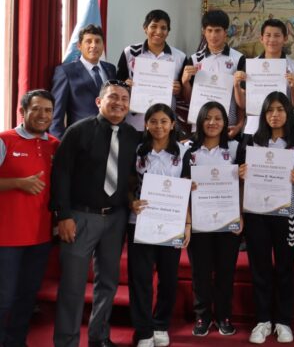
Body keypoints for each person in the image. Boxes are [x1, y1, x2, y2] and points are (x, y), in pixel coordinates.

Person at [51, 80, 141, 347]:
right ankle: (66, 342)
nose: (119, 103)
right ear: (99, 101)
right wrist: (63, 216)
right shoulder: (78, 131)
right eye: (113, 97)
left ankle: (99, 336)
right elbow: (61, 174)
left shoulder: (132, 136)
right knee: (73, 286)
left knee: (108, 283)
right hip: (79, 218)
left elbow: (132, 176)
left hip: (115, 219)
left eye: (125, 99)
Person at [237, 92, 294, 344]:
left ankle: (284, 321)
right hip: (256, 213)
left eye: (280, 109)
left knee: (285, 268)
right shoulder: (252, 141)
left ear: (288, 113)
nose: (275, 115)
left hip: (286, 214)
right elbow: (239, 173)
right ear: (263, 115)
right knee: (260, 268)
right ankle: (263, 320)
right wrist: (240, 173)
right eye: (269, 110)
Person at [128, 104, 191, 347]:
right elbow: (128, 184)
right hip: (140, 222)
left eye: (164, 121)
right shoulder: (137, 150)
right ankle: (143, 331)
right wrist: (131, 202)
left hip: (171, 223)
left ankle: (161, 324)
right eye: (153, 121)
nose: (158, 126)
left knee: (168, 277)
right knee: (140, 278)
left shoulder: (183, 153)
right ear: (146, 124)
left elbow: (186, 188)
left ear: (173, 124)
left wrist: (187, 223)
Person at [0, 90, 59, 347]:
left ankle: (16, 342)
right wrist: (17, 183)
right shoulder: (5, 140)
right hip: (6, 238)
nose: (43, 115)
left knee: (27, 297)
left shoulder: (55, 145)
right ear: (23, 111)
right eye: (37, 109)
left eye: (48, 110)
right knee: (4, 298)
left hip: (40, 238)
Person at [182, 101, 244, 337]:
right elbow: (184, 189)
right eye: (208, 118)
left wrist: (240, 214)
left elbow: (242, 185)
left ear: (224, 122)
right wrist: (187, 222)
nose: (212, 122)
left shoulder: (236, 148)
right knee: (200, 272)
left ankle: (224, 315)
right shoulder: (190, 151)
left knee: (226, 270)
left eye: (218, 118)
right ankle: (202, 316)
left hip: (228, 221)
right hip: (199, 222)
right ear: (200, 121)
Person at [115, 9, 186, 131]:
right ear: (145, 28)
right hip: (134, 121)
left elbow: (184, 93)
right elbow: (117, 81)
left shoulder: (180, 57)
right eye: (153, 26)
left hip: (164, 123)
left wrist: (179, 89)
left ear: (168, 31)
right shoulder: (130, 52)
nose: (158, 31)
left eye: (163, 28)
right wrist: (124, 84)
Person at [181, 10, 246, 138]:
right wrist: (185, 83)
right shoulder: (194, 59)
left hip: (228, 126)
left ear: (225, 32)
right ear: (203, 32)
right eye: (209, 30)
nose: (213, 35)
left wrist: (239, 125)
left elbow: (241, 101)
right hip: (200, 124)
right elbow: (189, 100)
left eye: (217, 31)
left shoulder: (238, 58)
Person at [233, 18, 294, 136]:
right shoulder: (251, 66)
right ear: (261, 38)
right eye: (268, 35)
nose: (272, 40)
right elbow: (243, 105)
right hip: (253, 129)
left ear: (285, 39)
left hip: (283, 131)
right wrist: (236, 85)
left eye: (277, 35)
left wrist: (293, 88)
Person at [50, 24, 117, 138]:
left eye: (97, 41)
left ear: (103, 45)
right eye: (88, 41)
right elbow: (56, 115)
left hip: (110, 138)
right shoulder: (66, 72)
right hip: (80, 139)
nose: (93, 45)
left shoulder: (110, 69)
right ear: (79, 46)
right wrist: (60, 145)